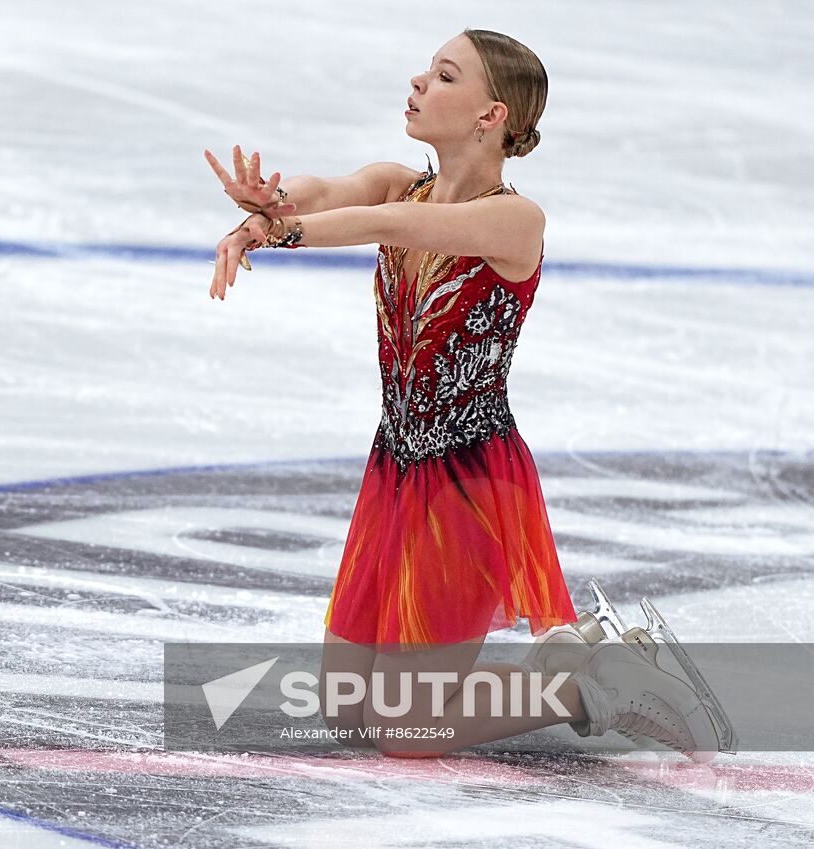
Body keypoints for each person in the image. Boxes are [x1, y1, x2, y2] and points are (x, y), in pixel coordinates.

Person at [203, 29, 734, 761]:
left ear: (490, 116)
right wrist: (261, 212)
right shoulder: (397, 179)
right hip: (396, 467)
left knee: (403, 732)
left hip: (469, 480)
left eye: (444, 75)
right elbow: (328, 193)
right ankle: (575, 669)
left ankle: (592, 684)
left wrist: (281, 230)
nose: (419, 83)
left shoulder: (514, 221)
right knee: (348, 710)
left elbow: (390, 226)